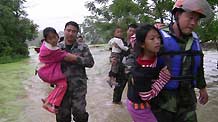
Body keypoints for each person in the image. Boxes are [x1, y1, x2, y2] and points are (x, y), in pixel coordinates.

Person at [151, 0, 213, 122]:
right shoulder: (158, 37)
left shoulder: (195, 40)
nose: (193, 23)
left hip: (187, 101)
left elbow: (198, 66)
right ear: (177, 15)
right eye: (190, 18)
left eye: (197, 20)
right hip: (162, 103)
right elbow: (139, 65)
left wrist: (202, 88)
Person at [124, 24, 171, 122]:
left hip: (136, 100)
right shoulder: (142, 72)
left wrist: (153, 28)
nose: (157, 41)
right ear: (142, 44)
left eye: (158, 37)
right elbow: (146, 96)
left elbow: (133, 38)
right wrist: (163, 79)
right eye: (152, 39)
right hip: (139, 108)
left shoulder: (145, 51)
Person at [56, 21, 94, 122]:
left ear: (77, 33)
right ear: (64, 31)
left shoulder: (83, 47)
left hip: (79, 87)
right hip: (61, 87)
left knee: (80, 114)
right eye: (68, 30)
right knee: (62, 116)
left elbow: (90, 63)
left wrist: (75, 58)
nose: (71, 33)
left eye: (74, 31)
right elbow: (49, 64)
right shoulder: (57, 48)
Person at [37, 27, 78, 113]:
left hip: (45, 70)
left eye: (54, 37)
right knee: (63, 85)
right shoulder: (52, 50)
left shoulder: (46, 46)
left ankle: (47, 99)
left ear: (58, 36)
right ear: (46, 40)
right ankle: (49, 103)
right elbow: (66, 56)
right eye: (50, 39)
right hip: (47, 71)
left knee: (60, 85)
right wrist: (79, 58)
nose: (53, 40)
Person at [112, 24, 137, 104]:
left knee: (133, 92)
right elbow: (113, 54)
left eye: (134, 31)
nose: (132, 33)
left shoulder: (137, 43)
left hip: (132, 71)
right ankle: (116, 105)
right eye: (130, 30)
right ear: (127, 31)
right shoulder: (119, 41)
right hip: (121, 69)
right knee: (117, 91)